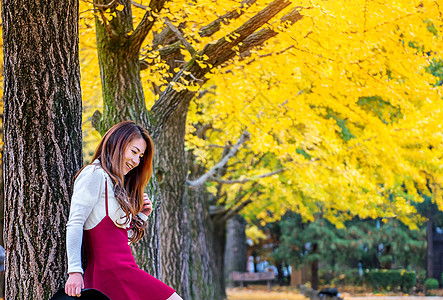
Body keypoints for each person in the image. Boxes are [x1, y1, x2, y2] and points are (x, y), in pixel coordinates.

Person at [65, 121, 183, 300]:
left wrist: (142, 216)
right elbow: (75, 222)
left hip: (125, 272)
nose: (136, 161)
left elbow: (117, 241)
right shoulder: (93, 175)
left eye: (141, 157)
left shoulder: (114, 184)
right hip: (110, 274)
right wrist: (74, 271)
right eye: (134, 152)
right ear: (117, 143)